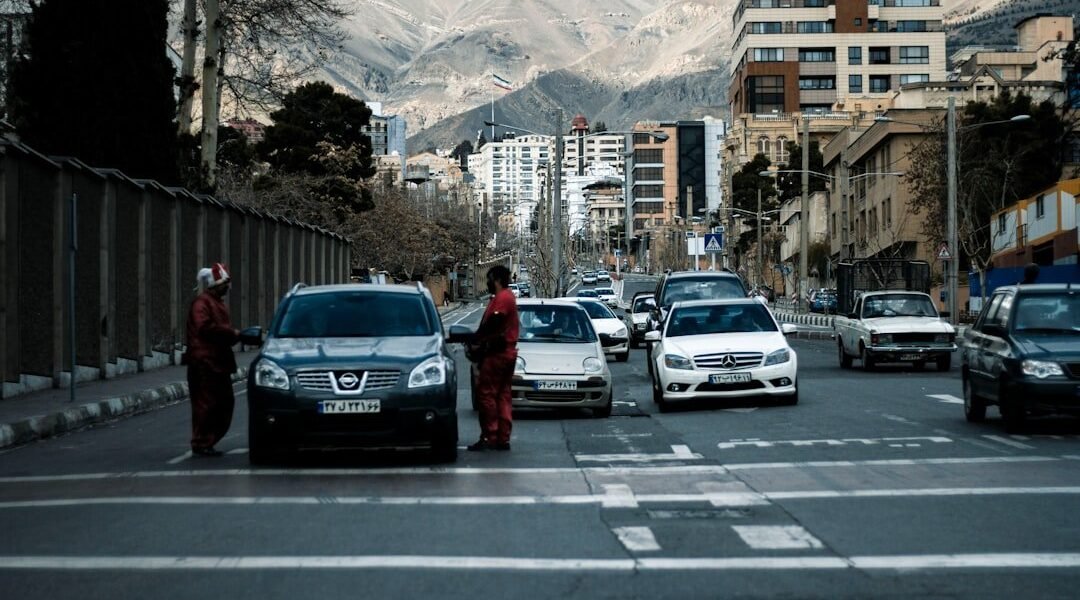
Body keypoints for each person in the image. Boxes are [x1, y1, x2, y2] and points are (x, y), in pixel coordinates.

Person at [185, 263, 239, 457]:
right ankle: (201, 442)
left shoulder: (215, 302)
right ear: (216, 284)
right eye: (225, 283)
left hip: (217, 362)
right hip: (204, 362)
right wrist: (232, 333)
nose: (227, 287)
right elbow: (205, 328)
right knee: (205, 403)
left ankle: (208, 440)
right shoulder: (202, 303)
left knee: (223, 403)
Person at [467, 265, 519, 452]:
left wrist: (476, 339)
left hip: (498, 353)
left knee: (487, 394)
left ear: (496, 279)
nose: (487, 283)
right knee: (503, 394)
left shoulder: (503, 298)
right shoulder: (505, 297)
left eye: (489, 279)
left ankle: (491, 435)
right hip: (506, 352)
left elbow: (493, 323)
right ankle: (502, 437)